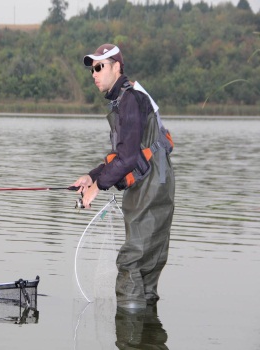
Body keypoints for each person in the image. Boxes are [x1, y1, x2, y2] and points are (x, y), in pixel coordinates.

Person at [72, 44, 175, 309]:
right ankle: (146, 336)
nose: (94, 73)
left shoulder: (130, 98)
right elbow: (124, 154)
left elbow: (128, 158)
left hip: (151, 192)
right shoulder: (126, 99)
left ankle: (129, 335)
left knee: (131, 266)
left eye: (100, 67)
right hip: (153, 189)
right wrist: (91, 176)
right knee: (145, 274)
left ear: (117, 66)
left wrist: (98, 187)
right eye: (92, 68)